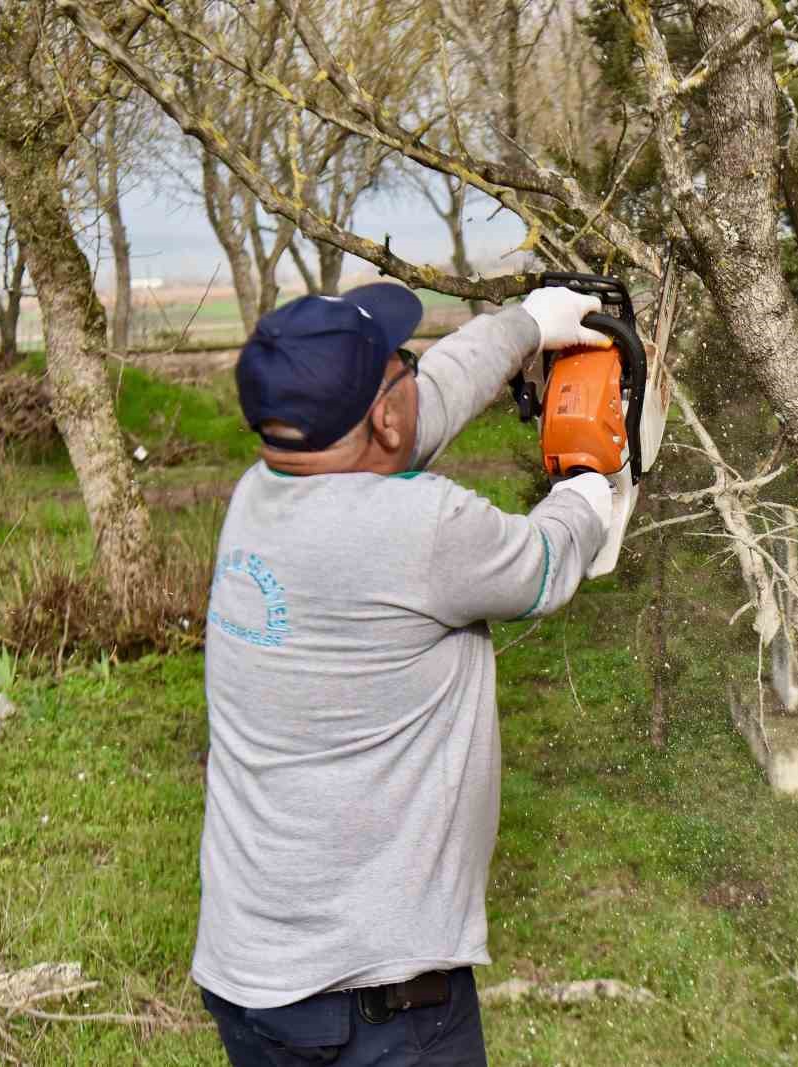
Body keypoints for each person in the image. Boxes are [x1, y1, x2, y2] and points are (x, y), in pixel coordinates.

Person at [193, 281, 615, 1066]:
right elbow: (545, 564)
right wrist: (590, 481)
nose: (415, 377)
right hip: (375, 1009)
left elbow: (424, 410)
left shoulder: (262, 488)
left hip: (249, 980)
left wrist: (527, 326)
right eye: (401, 365)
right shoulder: (418, 529)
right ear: (382, 416)